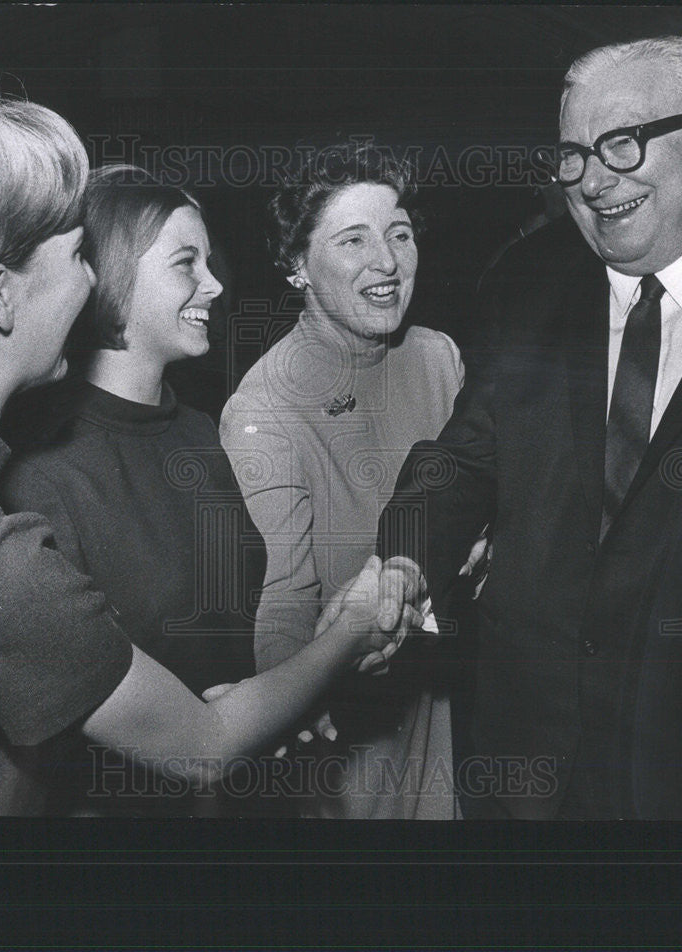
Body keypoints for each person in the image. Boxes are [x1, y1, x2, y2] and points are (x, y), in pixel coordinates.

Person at [0, 89, 404, 816]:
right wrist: (351, 629)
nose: (93, 279)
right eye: (77, 254)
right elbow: (205, 747)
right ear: (0, 296)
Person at [377, 35, 682, 820]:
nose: (595, 181)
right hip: (523, 772)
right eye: (572, 156)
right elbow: (464, 459)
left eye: (623, 144)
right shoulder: (530, 283)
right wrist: (403, 559)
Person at [0, 166, 267, 815]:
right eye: (185, 263)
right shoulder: (42, 469)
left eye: (209, 260)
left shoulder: (199, 430)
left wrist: (270, 708)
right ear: (114, 275)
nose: (216, 284)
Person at [220, 145, 465, 819]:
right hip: (347, 734)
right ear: (296, 266)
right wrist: (288, 707)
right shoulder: (264, 410)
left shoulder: (440, 359)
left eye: (399, 234)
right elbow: (280, 602)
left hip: (447, 707)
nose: (385, 261)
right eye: (352, 240)